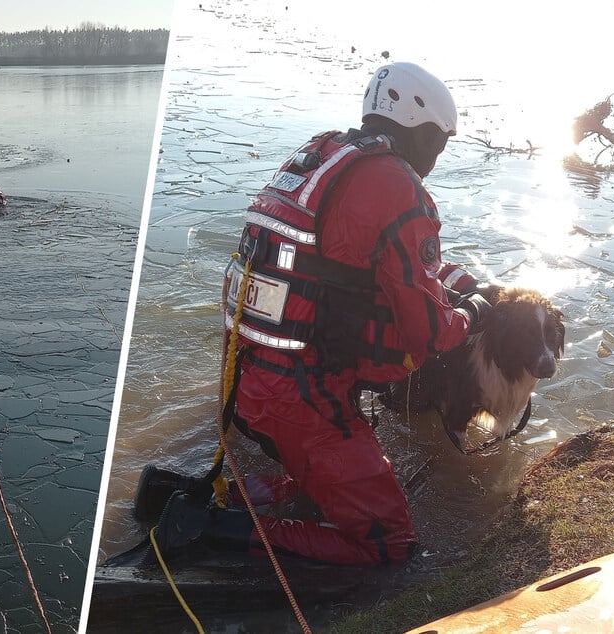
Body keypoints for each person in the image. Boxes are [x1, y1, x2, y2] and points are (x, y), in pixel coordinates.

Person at [154, 62, 492, 565]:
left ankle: (232, 492)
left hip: (245, 379)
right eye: (438, 144)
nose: (436, 161)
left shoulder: (324, 153)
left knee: (328, 478)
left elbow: (355, 261)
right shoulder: (398, 184)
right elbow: (430, 333)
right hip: (300, 396)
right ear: (420, 131)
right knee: (390, 544)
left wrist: (456, 282)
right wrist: (475, 313)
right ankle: (213, 531)